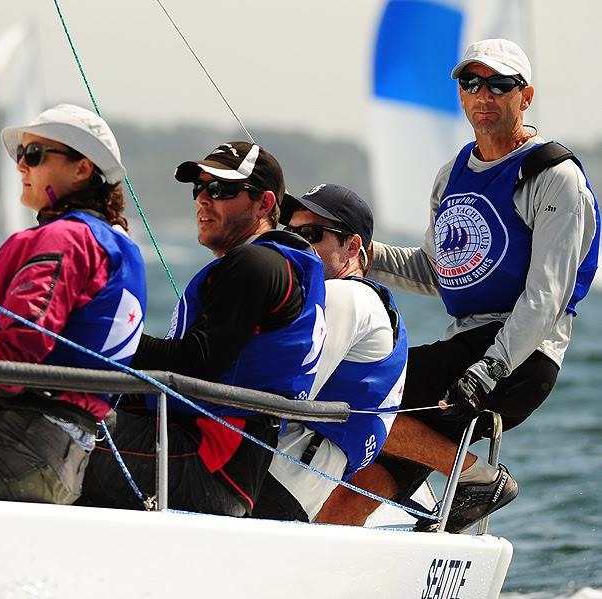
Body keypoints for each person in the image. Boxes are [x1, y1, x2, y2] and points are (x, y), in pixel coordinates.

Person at [319, 38, 600, 532]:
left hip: (518, 356)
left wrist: (488, 370)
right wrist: (356, 253)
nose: (482, 94)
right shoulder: (452, 174)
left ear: (525, 96)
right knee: (343, 508)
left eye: (499, 84)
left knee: (347, 390)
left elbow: (546, 296)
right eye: (471, 83)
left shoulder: (554, 176)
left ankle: (476, 477)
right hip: (466, 348)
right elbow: (437, 270)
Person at [78, 141, 327, 517]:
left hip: (206, 460)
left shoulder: (256, 264)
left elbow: (197, 362)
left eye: (222, 190)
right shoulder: (273, 263)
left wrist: (98, 337)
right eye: (199, 188)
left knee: (39, 430)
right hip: (216, 462)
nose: (203, 200)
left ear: (263, 204)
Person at [0, 104, 147, 504]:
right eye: (19, 156)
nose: (21, 167)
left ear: (82, 168)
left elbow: (20, 353)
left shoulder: (65, 239)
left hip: (17, 446)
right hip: (60, 456)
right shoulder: (119, 247)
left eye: (34, 154)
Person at [252, 183, 407, 522]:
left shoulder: (343, 296)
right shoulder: (370, 301)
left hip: (280, 474)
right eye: (289, 232)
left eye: (311, 233)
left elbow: (289, 388)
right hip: (302, 483)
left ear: (352, 247)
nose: (296, 243)